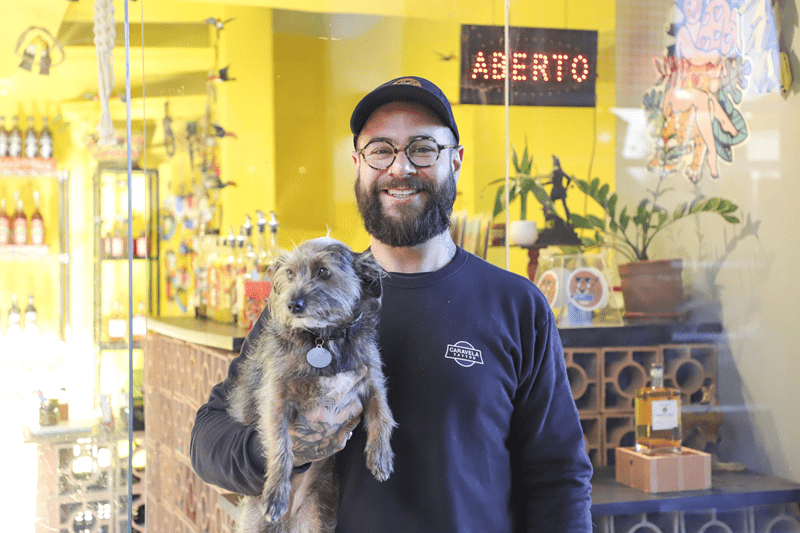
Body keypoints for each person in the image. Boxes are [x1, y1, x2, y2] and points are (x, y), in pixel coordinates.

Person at [191, 76, 593, 532]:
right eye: (381, 150)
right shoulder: (302, 308)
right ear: (358, 165)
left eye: (423, 148)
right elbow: (208, 441)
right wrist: (289, 446)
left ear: (456, 161)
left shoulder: (516, 305)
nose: (399, 168)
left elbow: (558, 475)